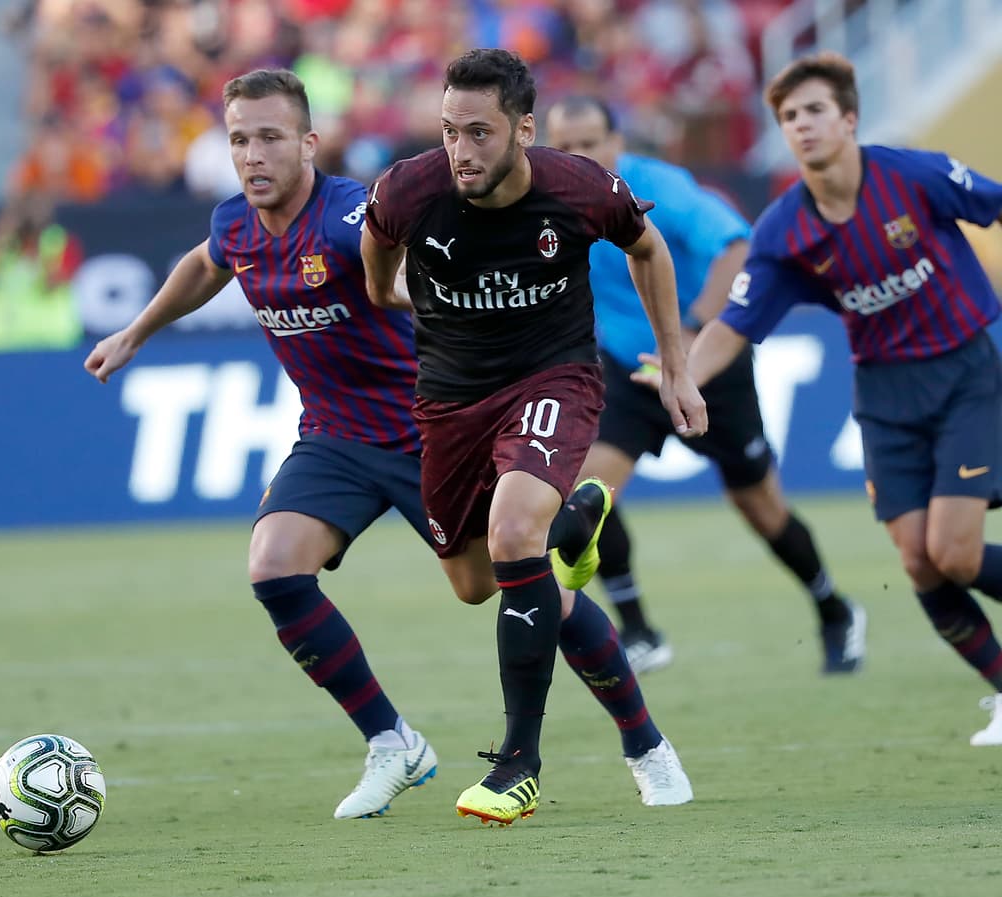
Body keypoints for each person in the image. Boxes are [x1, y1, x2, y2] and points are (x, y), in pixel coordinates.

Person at [85, 68, 617, 821]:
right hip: (334, 435)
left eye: (269, 137)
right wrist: (136, 331)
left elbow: (422, 262)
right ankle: (393, 742)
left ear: (308, 143)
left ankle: (633, 716)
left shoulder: (349, 216)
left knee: (496, 582)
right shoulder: (236, 223)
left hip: (426, 426)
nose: (252, 155)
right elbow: (207, 265)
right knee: (273, 566)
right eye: (239, 139)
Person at [361, 48, 705, 826]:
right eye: (449, 131)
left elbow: (647, 250)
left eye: (478, 133)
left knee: (514, 534)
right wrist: (391, 291)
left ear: (522, 128)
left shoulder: (579, 187)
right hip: (450, 400)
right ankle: (577, 525)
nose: (461, 151)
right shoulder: (409, 190)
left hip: (555, 378)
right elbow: (377, 259)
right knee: (481, 582)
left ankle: (519, 761)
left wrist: (677, 368)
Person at [676, 52, 1002, 746]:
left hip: (966, 375)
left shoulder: (914, 175)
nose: (802, 125)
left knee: (958, 552)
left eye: (815, 110)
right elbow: (732, 326)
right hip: (885, 394)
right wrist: (681, 380)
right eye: (789, 117)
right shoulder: (783, 231)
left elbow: (995, 202)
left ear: (849, 119)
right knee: (917, 559)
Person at [544, 95, 866, 676]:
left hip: (706, 367)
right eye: (564, 146)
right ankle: (639, 631)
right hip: (626, 368)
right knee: (587, 492)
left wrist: (692, 338)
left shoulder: (661, 187)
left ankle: (835, 609)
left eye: (590, 143)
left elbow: (735, 249)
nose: (578, 156)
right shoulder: (547, 202)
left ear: (618, 143)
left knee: (761, 508)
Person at [0, 191, 84, 353]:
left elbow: (51, 284)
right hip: (0, 343)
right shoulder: (0, 246)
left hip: (50, 341)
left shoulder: (58, 241)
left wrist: (35, 245)